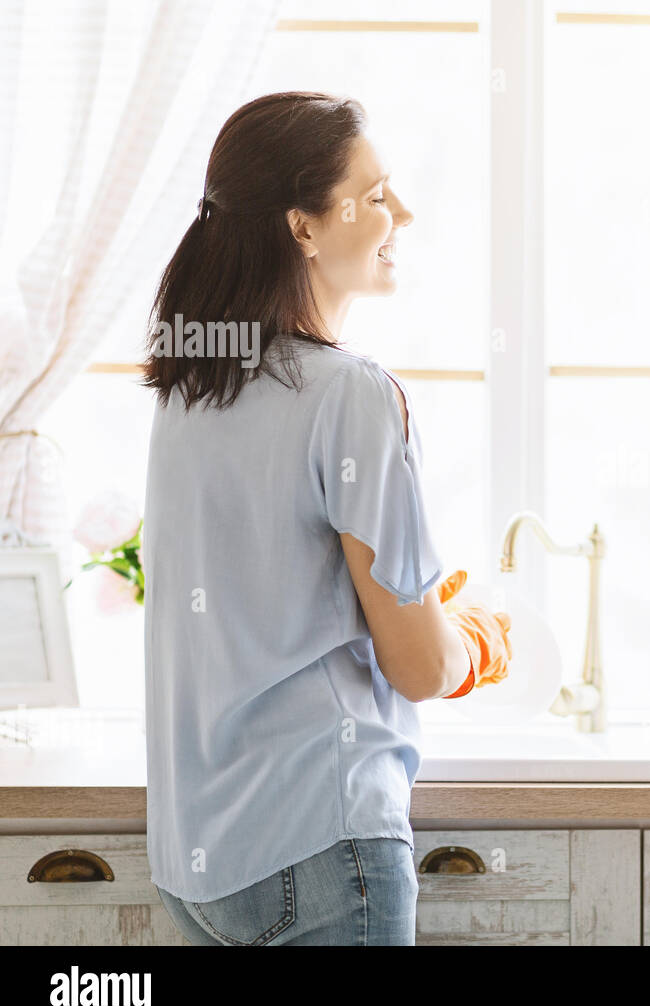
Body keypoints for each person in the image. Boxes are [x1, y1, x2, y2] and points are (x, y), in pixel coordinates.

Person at [140, 91, 512, 945]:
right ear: (302, 226)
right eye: (377, 196)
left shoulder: (194, 380)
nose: (402, 214)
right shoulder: (353, 393)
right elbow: (418, 666)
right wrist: (479, 633)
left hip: (199, 864)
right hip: (321, 846)